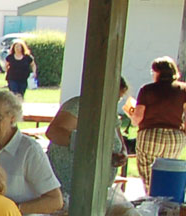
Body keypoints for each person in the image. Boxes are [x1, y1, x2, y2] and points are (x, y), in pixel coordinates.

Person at [46, 77, 130, 203]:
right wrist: (89, 147)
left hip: (96, 186)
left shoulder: (109, 110)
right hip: (70, 182)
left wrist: (122, 153)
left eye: (118, 99)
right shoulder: (78, 105)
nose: (115, 101)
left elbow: (118, 139)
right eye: (114, 97)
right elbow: (54, 132)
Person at [128, 57, 186, 194]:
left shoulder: (147, 90)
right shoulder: (183, 89)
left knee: (149, 174)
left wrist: (132, 117)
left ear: (157, 72)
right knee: (167, 170)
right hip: (174, 137)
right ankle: (167, 202)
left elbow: (138, 117)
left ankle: (151, 198)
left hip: (150, 134)